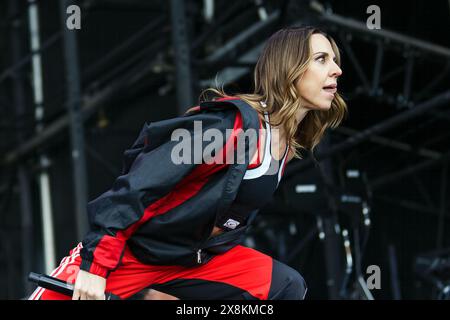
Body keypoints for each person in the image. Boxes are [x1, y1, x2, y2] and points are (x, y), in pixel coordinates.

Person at [29, 26, 346, 300]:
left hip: (196, 259)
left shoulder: (285, 145)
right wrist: (96, 267)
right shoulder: (230, 128)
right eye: (322, 59)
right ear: (289, 67)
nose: (336, 70)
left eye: (334, 60)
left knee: (285, 287)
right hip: (136, 253)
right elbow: (141, 184)